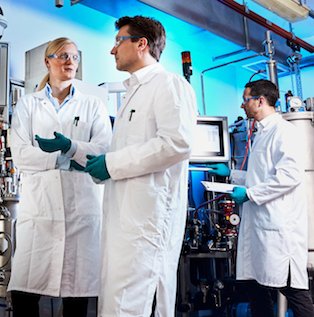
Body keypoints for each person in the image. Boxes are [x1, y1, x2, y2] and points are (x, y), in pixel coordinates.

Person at [84, 16, 197, 316]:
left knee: (134, 307)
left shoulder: (169, 84)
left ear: (141, 44)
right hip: (126, 226)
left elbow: (177, 143)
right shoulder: (133, 93)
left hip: (147, 228)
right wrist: (94, 160)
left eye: (119, 40)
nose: (112, 50)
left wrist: (112, 164)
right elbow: (126, 156)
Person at [7, 37, 112, 316]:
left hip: (82, 213)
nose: (70, 62)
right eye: (63, 56)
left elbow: (103, 150)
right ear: (48, 61)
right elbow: (21, 155)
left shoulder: (93, 106)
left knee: (76, 298)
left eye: (75, 57)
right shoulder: (27, 105)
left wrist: (71, 146)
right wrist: (65, 159)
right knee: (25, 294)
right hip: (39, 213)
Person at [209, 79, 314, 317]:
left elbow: (290, 176)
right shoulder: (261, 133)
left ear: (260, 100)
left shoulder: (284, 131)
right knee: (255, 286)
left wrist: (249, 194)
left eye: (245, 100)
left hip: (278, 228)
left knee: (292, 289)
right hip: (259, 227)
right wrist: (233, 174)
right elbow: (261, 176)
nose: (242, 106)